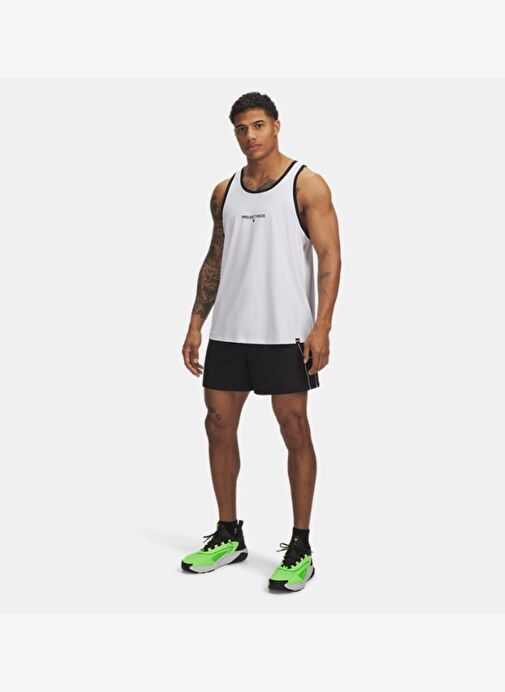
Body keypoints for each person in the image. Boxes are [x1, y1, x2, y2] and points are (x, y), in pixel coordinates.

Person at [180, 91, 341, 592]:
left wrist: (322, 326)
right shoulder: (224, 191)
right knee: (217, 424)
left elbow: (331, 258)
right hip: (230, 331)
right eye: (240, 129)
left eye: (257, 126)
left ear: (275, 126)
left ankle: (301, 545)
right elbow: (215, 258)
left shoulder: (306, 184)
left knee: (294, 429)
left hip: (285, 331)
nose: (249, 136)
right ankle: (229, 533)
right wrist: (195, 322)